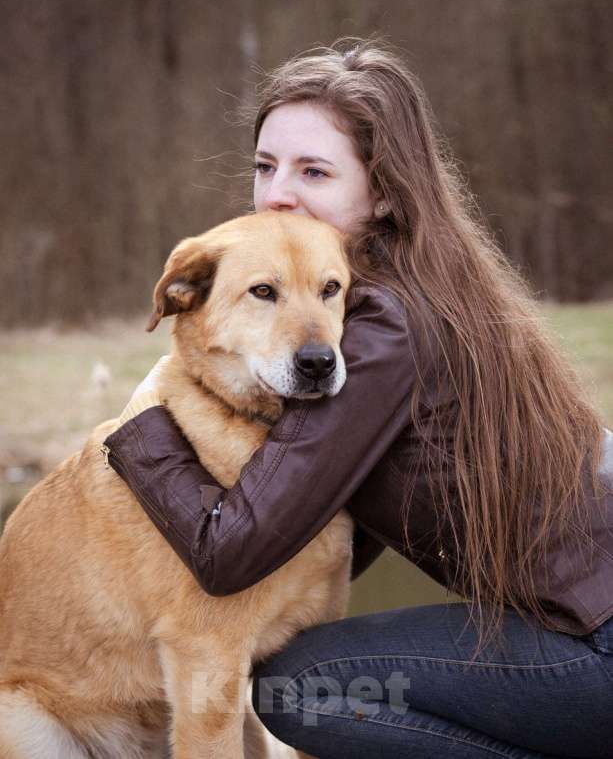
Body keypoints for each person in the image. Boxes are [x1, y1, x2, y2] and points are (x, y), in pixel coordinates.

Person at [104, 38, 613, 758]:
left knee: (300, 681)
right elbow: (322, 515)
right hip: (588, 633)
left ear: (379, 191)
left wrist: (143, 423)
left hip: (595, 649)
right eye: (265, 165)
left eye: (313, 170)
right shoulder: (417, 287)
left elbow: (228, 553)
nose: (278, 191)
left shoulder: (379, 327)